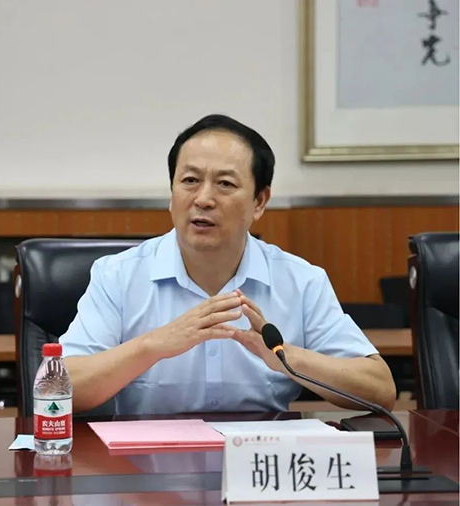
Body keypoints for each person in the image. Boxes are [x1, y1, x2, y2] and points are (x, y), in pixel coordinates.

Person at [61, 114, 396, 415]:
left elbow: (380, 390)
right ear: (172, 193)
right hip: (144, 462)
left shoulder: (301, 281)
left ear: (259, 202)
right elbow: (58, 389)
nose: (203, 199)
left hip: (261, 459)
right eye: (190, 180)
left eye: (225, 184)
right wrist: (151, 346)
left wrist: (284, 357)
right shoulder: (118, 276)